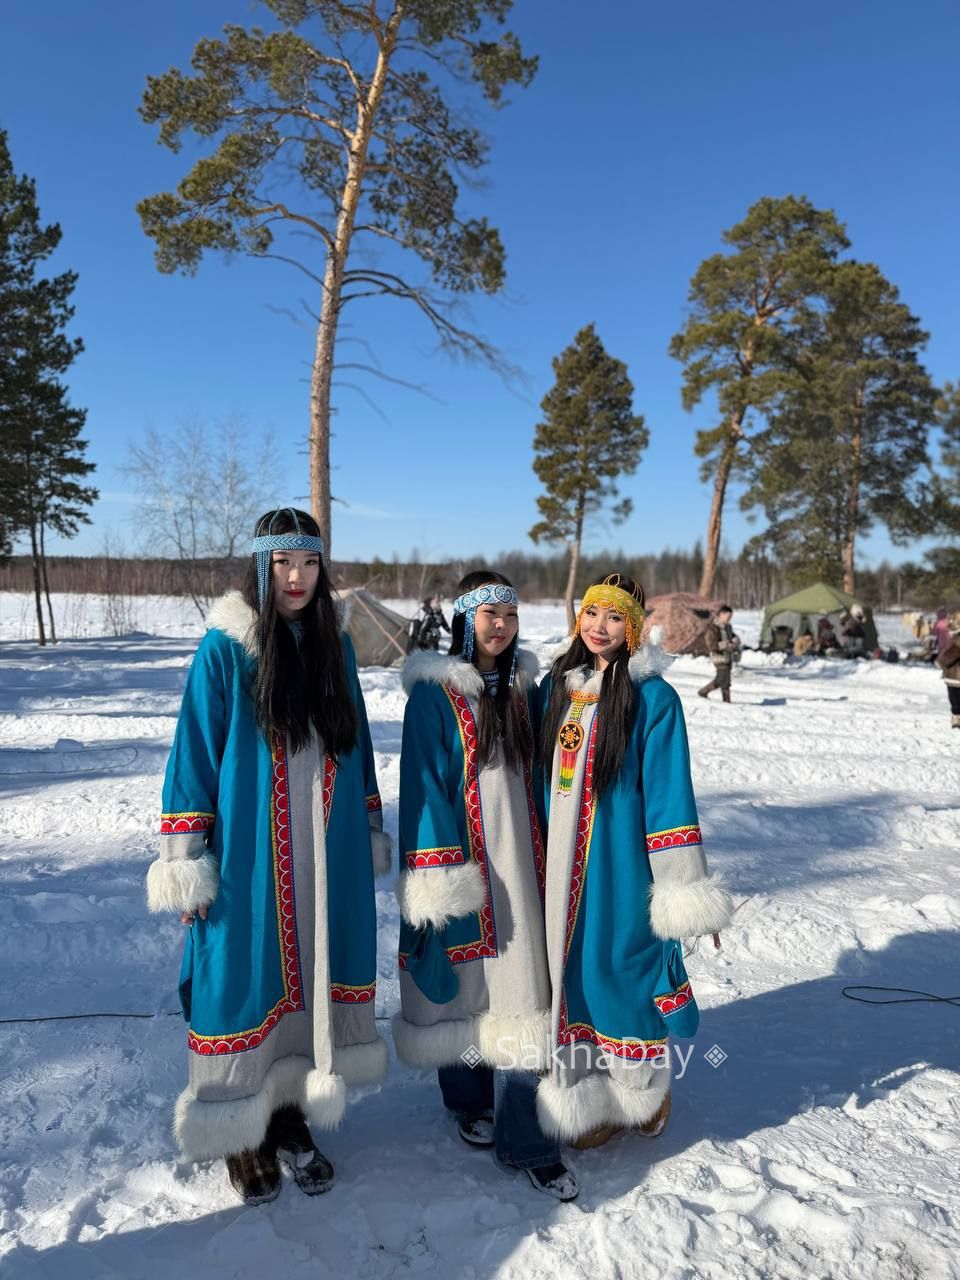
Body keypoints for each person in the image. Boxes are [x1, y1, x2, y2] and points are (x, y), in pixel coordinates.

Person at [147, 508, 391, 1205]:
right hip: (250, 854)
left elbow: (358, 741)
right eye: (283, 563)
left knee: (310, 972)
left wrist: (367, 826)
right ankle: (239, 1130)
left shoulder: (335, 646)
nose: (297, 578)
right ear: (261, 566)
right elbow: (194, 754)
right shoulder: (226, 648)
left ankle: (286, 1114)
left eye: (309, 563)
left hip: (327, 847)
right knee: (243, 976)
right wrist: (186, 859)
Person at [392, 570, 578, 1201]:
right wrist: (439, 872)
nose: (501, 625)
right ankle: (467, 1097)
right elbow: (422, 783)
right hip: (465, 860)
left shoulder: (526, 690)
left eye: (511, 615)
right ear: (464, 621)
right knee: (465, 986)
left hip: (525, 864)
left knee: (525, 992)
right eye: (489, 614)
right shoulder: (435, 695)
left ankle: (526, 1137)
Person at [535, 573, 733, 1149]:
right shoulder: (554, 688)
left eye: (616, 617)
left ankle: (640, 1092)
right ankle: (584, 1098)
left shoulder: (654, 699)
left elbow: (670, 800)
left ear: (635, 628)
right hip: (557, 869)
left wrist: (683, 888)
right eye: (593, 613)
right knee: (570, 977)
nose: (600, 627)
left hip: (621, 869)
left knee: (620, 973)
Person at [699, 604, 740, 701]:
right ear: (721, 614)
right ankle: (724, 699)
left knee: (724, 679)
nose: (729, 619)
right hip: (718, 657)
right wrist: (726, 644)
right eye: (728, 616)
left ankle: (705, 692)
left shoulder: (728, 627)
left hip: (728, 656)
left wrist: (735, 640)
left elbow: (732, 636)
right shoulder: (712, 628)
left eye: (731, 617)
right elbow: (711, 645)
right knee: (722, 678)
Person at [936, 623, 960, 728]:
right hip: (954, 675)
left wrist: (940, 662)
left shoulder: (957, 638)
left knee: (955, 699)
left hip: (955, 675)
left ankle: (956, 719)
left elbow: (952, 652)